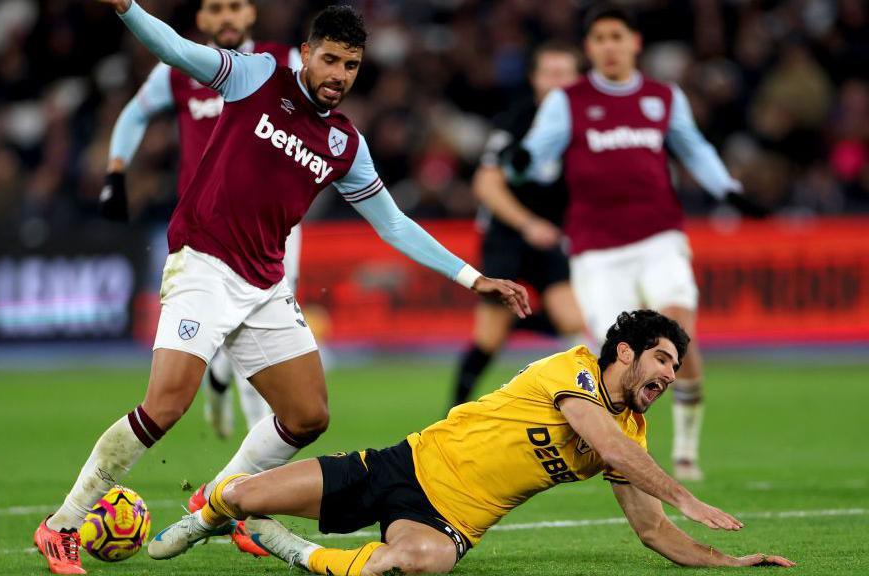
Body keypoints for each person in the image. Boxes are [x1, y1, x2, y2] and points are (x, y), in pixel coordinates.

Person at [33, 2, 531, 574]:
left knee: (307, 415)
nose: (339, 75)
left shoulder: (345, 144)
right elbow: (177, 49)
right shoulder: (257, 77)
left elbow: (392, 223)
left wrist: (473, 278)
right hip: (203, 264)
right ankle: (62, 525)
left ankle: (216, 501)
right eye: (330, 59)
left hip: (264, 283)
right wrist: (127, 9)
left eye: (351, 65)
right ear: (305, 54)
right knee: (166, 405)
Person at [146, 310, 795, 574]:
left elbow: (652, 532)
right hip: (402, 464)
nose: (668, 376)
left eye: (676, 369)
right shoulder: (572, 371)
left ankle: (291, 549)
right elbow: (615, 450)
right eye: (661, 360)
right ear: (624, 352)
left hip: (449, 520)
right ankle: (205, 518)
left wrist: (725, 561)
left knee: (416, 562)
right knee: (244, 493)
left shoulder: (632, 432)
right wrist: (689, 497)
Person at [508, 4, 768, 481]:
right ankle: (620, 456)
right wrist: (520, 161)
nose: (609, 46)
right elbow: (538, 157)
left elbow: (695, 149)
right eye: (600, 38)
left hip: (659, 238)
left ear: (635, 43)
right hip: (597, 250)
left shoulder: (662, 97)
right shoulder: (568, 101)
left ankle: (686, 452)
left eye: (617, 37)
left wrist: (730, 191)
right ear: (589, 48)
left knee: (677, 336)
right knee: (618, 361)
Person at [102, 0, 300, 442]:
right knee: (238, 324)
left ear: (251, 14)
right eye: (216, 8)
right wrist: (116, 169)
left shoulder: (281, 62)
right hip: (208, 228)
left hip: (274, 222)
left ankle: (226, 388)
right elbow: (135, 114)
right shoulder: (178, 70)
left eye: (235, 6)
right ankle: (250, 451)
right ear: (202, 21)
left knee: (269, 324)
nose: (226, 16)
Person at [452, 41, 588, 407]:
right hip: (507, 236)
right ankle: (452, 413)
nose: (557, 82)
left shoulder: (586, 126)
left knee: (574, 322)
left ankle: (591, 414)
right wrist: (528, 224)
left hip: (549, 237)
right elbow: (485, 184)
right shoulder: (515, 122)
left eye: (565, 74)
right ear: (535, 78)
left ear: (578, 80)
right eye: (550, 73)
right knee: (488, 341)